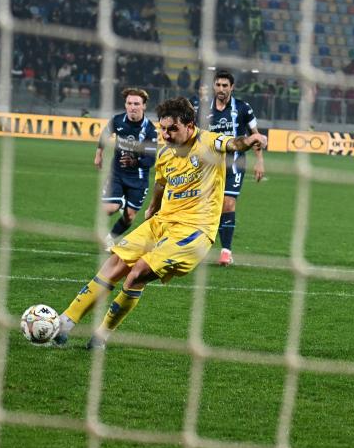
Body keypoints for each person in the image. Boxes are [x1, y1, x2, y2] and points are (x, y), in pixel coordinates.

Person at [51, 96, 267, 349]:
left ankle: (101, 336)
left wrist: (250, 140)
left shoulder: (208, 142)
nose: (165, 134)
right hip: (163, 221)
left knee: (137, 273)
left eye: (172, 129)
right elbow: (161, 183)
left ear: (189, 125)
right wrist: (153, 207)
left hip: (195, 231)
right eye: (162, 128)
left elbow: (233, 143)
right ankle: (65, 322)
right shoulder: (165, 153)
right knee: (116, 262)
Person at [191, 70, 265, 266]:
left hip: (235, 164)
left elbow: (255, 135)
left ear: (232, 87)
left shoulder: (243, 108)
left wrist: (259, 161)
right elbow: (196, 137)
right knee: (209, 206)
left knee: (228, 203)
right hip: (210, 166)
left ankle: (226, 251)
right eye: (218, 85)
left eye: (225, 86)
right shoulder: (203, 109)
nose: (221, 89)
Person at [95, 87, 158, 249]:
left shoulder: (150, 130)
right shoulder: (117, 120)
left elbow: (151, 159)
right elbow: (105, 134)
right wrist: (99, 153)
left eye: (136, 104)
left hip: (138, 179)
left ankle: (110, 237)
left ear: (144, 106)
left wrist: (135, 162)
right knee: (109, 208)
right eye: (129, 103)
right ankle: (121, 201)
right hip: (117, 173)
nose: (132, 107)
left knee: (129, 217)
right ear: (125, 105)